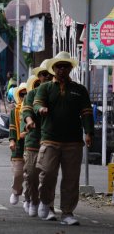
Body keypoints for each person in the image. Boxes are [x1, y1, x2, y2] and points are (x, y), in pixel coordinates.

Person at [33, 51, 94, 225]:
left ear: (70, 68)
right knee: (47, 174)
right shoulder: (45, 88)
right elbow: (37, 103)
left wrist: (89, 132)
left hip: (73, 141)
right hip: (50, 139)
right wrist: (40, 109)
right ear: (53, 68)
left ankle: (67, 212)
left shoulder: (79, 90)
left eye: (65, 66)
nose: (61, 69)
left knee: (71, 179)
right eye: (58, 66)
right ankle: (46, 203)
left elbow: (87, 113)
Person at [21, 60, 57, 220]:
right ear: (39, 77)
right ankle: (32, 200)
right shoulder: (31, 94)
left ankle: (48, 206)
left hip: (52, 141)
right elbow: (27, 112)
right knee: (31, 176)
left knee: (48, 175)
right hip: (34, 141)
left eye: (49, 74)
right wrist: (29, 122)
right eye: (43, 74)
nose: (46, 77)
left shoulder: (59, 94)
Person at [8, 83, 27, 207]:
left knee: (31, 174)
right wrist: (12, 140)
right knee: (18, 173)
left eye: (27, 94)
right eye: (22, 94)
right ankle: (16, 191)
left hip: (32, 144)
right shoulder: (14, 111)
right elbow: (13, 128)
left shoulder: (32, 108)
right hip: (19, 146)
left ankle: (29, 198)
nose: (24, 96)